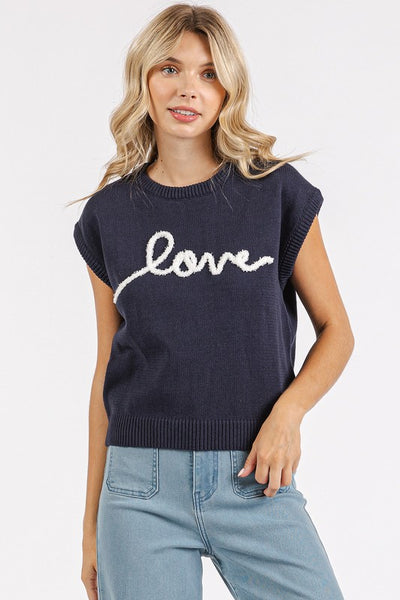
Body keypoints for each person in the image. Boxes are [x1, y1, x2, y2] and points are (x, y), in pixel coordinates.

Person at [69, 4, 354, 599]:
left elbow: (337, 330)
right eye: (170, 68)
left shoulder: (275, 193)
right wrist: (90, 526)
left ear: (228, 90)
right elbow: (105, 373)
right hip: (139, 490)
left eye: (208, 73)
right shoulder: (108, 216)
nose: (188, 89)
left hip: (256, 477)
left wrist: (288, 414)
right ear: (144, 77)